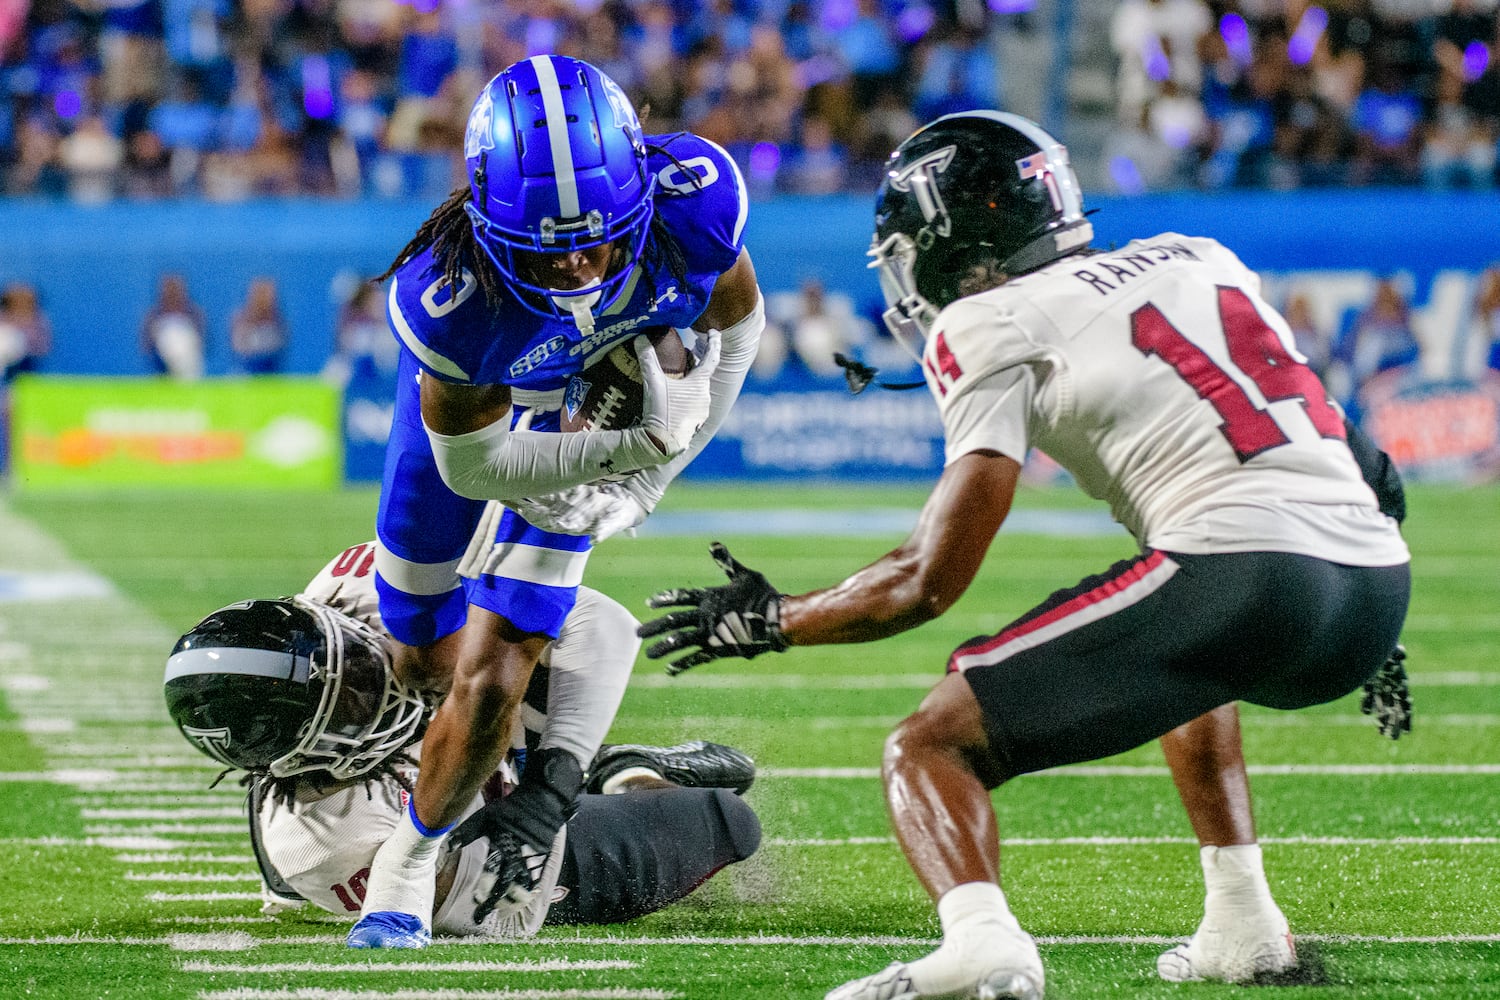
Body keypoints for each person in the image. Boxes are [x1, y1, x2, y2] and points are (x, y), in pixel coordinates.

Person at [637, 111, 1410, 1000]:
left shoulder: (992, 322)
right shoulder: (1199, 257)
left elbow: (926, 582)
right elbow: (1370, 469)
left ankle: (982, 946)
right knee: (1192, 655)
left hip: (1249, 573)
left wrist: (775, 620)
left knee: (931, 745)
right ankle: (1243, 922)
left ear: (950, 236)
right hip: (1374, 583)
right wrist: (1368, 618)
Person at [358, 54, 765, 949]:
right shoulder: (453, 298)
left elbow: (739, 327)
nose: (580, 264)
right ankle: (574, 763)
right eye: (552, 247)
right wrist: (632, 446)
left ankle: (406, 863)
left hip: (590, 428)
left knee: (502, 662)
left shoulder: (690, 202)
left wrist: (662, 465)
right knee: (421, 663)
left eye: (601, 239)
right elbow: (473, 468)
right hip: (500, 438)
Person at [163, 530, 760, 937]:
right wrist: (543, 816)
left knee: (503, 648)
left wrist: (551, 783)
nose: (376, 686)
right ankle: (625, 779)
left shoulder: (365, 585)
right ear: (304, 757)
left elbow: (597, 621)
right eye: (347, 706)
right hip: (460, 837)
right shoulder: (328, 842)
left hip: (484, 736)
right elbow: (501, 900)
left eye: (357, 663)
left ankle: (586, 763)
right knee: (725, 820)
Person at [142, 273, 207, 380]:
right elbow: (146, 344)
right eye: (168, 290)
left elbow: (203, 342)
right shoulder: (155, 316)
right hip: (161, 363)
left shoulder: (193, 314)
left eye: (175, 289)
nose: (172, 293)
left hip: (189, 362)